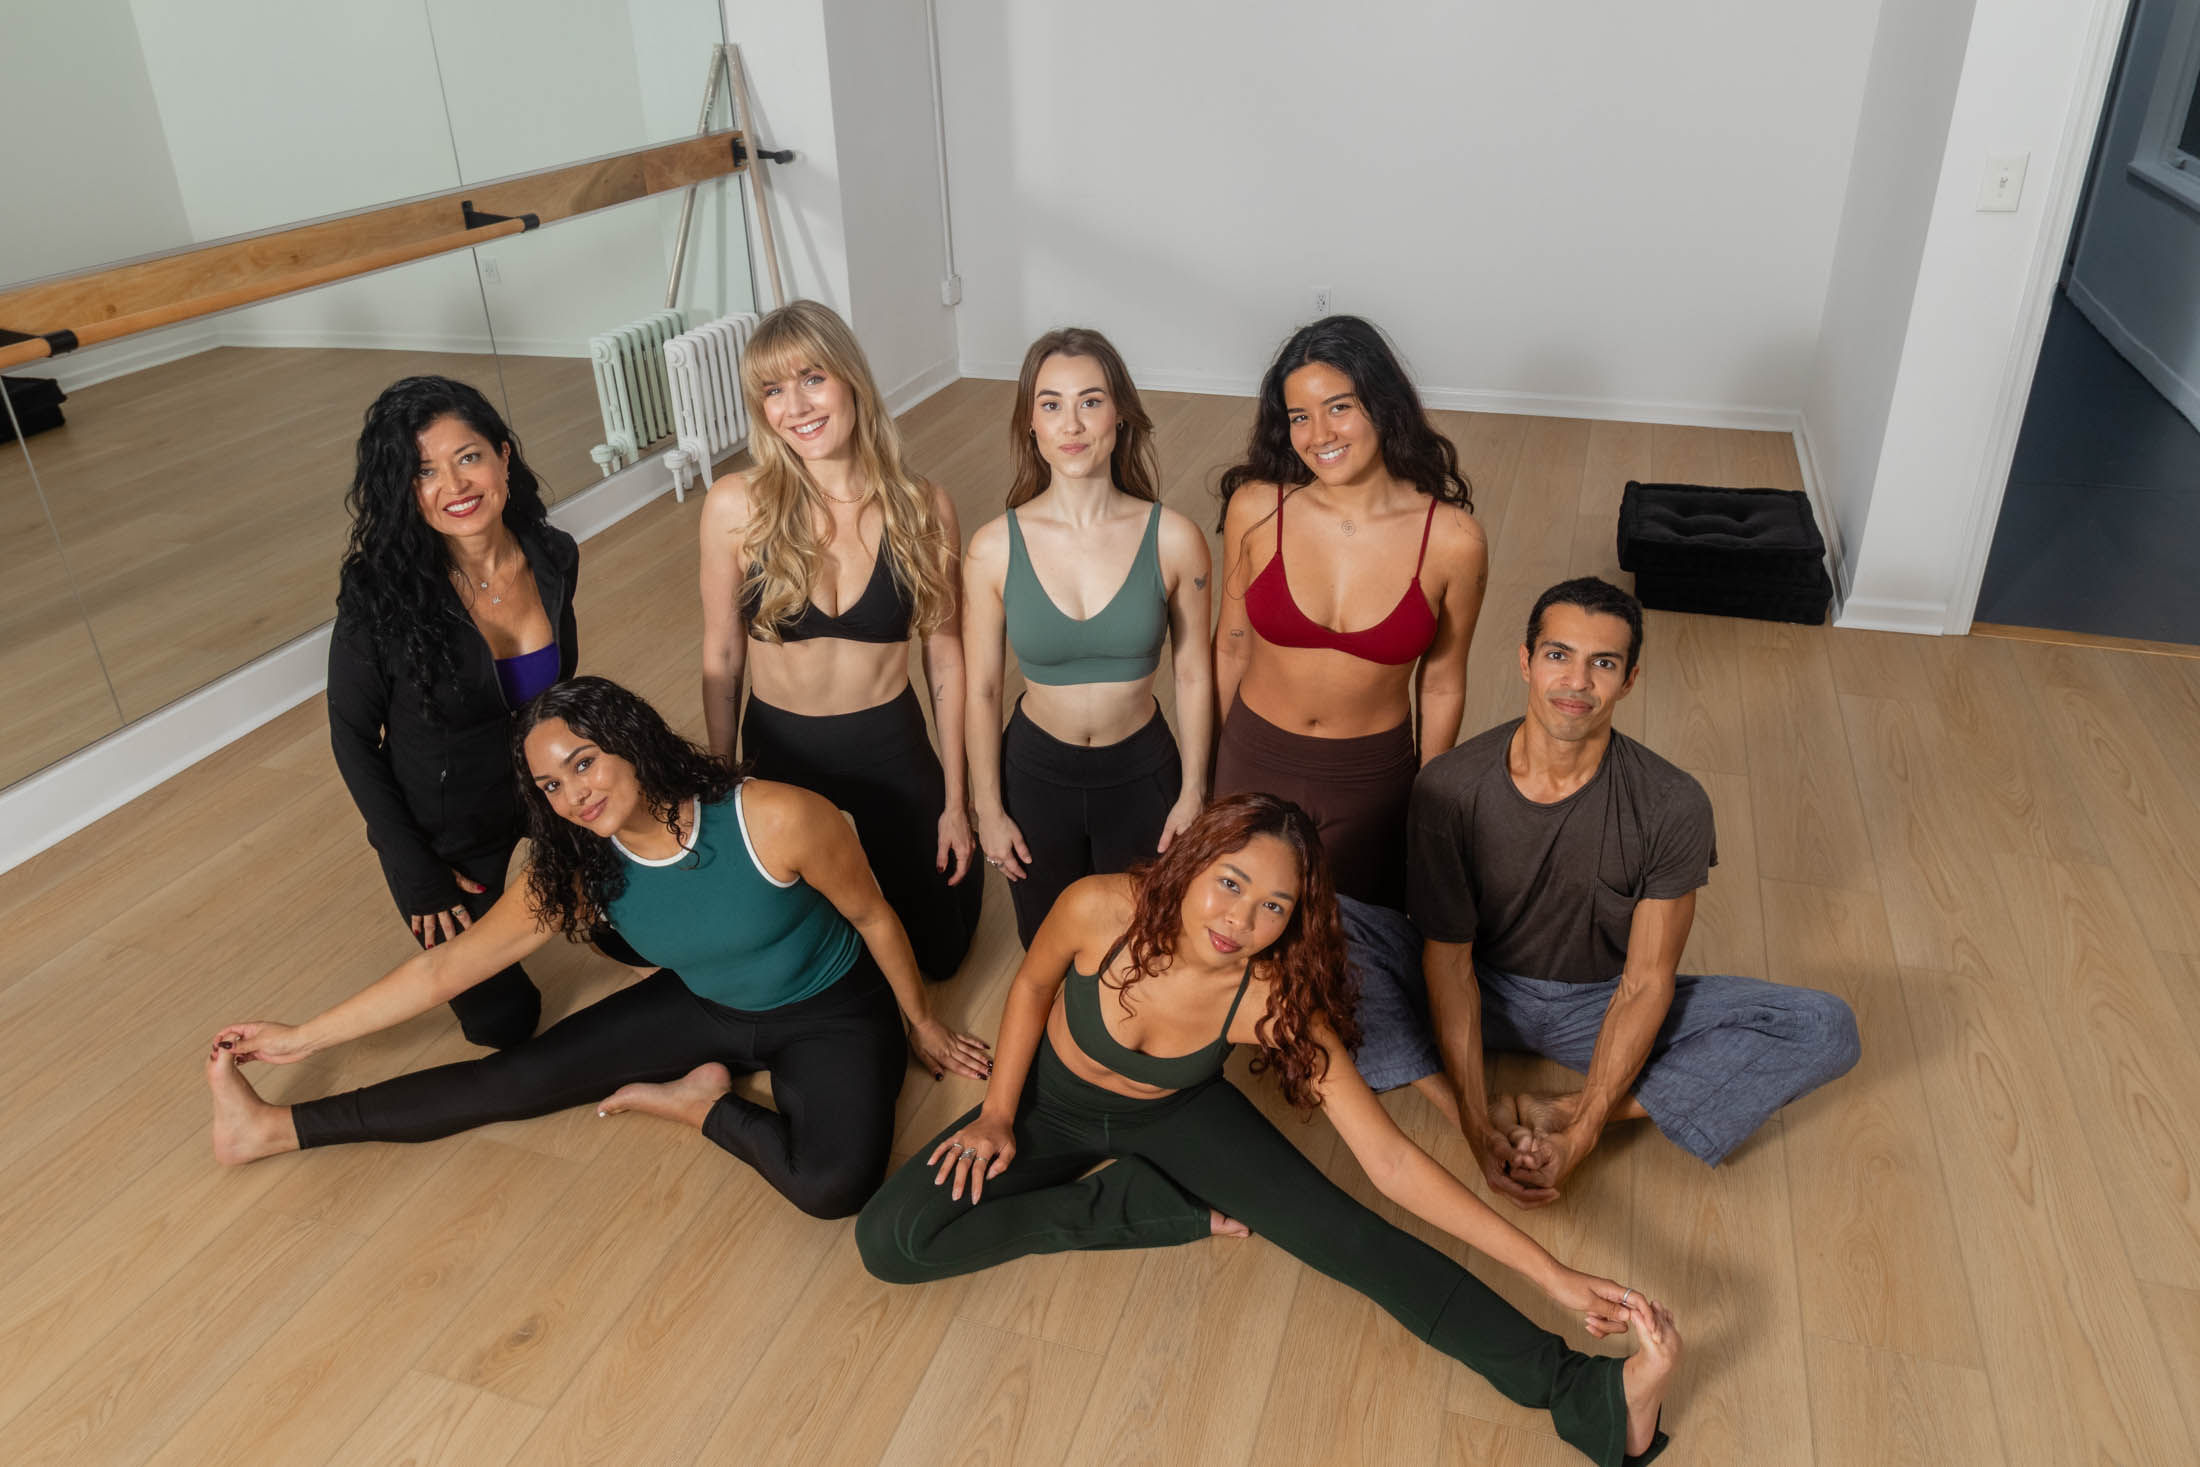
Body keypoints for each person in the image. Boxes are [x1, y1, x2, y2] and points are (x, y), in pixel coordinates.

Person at [856, 794, 1679, 1467]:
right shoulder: (1101, 906)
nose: (1239, 918)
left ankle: (1588, 1394)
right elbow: (1033, 986)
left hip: (1177, 1114)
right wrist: (998, 1112)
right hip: (1046, 1104)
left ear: (1293, 921)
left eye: (1273, 905)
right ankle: (1145, 1207)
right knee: (893, 1239)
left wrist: (1553, 1273)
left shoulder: (1272, 1001)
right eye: (1230, 882)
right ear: (1194, 860)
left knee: (1356, 1241)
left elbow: (1390, 1162)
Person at [205, 677, 991, 1220]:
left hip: (830, 1009)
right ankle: (273, 1130)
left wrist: (920, 1021)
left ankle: (698, 1103)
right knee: (513, 1079)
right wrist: (299, 1036)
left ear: (633, 743)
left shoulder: (775, 816)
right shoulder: (577, 869)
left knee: (832, 1186)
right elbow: (444, 967)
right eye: (550, 785)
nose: (574, 794)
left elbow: (878, 916)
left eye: (584, 763)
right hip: (704, 1001)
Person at [1354, 576, 1861, 1206]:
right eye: (1558, 656)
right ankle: (1462, 1106)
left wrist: (1584, 1128)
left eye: (1602, 663)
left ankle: (1562, 1104)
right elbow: (1448, 961)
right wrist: (1476, 1124)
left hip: (1592, 1005)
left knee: (1823, 1025)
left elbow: (1646, 982)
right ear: (1525, 662)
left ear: (1629, 679)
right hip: (1476, 979)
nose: (1576, 682)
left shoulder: (1672, 804)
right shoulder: (1450, 788)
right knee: (1327, 923)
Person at [698, 300, 981, 982]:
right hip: (780, 747)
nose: (795, 405)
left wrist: (956, 800)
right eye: (772, 390)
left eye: (812, 378)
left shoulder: (921, 505)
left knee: (939, 954)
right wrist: (719, 782)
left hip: (889, 741)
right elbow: (722, 652)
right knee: (788, 955)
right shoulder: (737, 504)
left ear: (852, 379)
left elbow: (945, 655)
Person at [329, 375, 577, 1050]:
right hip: (450, 835)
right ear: (403, 492)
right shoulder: (378, 593)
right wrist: (417, 872)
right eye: (424, 472)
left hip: (549, 794)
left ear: (501, 456)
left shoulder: (553, 556)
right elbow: (352, 737)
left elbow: (562, 697)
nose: (455, 485)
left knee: (644, 938)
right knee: (505, 1024)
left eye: (467, 457)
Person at [1212, 315, 1488, 912]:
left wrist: (1428, 801)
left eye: (1339, 407)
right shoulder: (1257, 509)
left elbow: (1441, 682)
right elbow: (1232, 643)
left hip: (1370, 778)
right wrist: (1216, 763)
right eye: (1299, 417)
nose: (1318, 434)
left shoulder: (1452, 538)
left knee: (1353, 952)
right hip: (1251, 756)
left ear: (1383, 404)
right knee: (1238, 943)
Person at [963, 327, 1215, 946]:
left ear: (1121, 415)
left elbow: (1193, 674)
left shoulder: (1174, 538)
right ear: (1031, 423)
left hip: (1141, 774)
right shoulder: (993, 547)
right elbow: (982, 688)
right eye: (1051, 404)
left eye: (1091, 401)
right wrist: (988, 809)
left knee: (1146, 945)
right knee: (1046, 947)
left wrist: (1194, 794)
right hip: (1035, 774)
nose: (1071, 423)